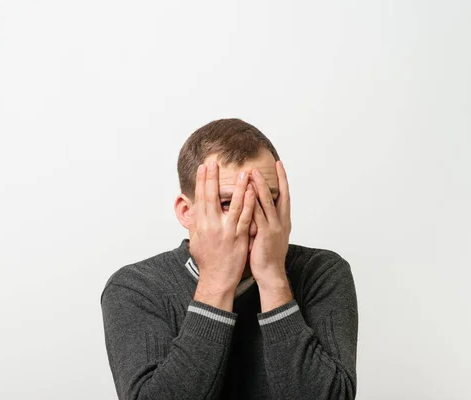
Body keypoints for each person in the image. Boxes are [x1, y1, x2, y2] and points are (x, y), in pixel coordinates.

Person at [100, 119, 358, 399]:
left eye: (266, 201)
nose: (251, 222)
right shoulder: (136, 287)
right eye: (227, 204)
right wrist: (217, 282)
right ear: (187, 211)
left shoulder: (322, 272)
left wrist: (273, 278)